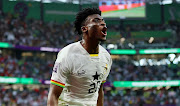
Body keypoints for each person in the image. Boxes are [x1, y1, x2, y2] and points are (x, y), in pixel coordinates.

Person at [47, 8, 112, 106]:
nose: (103, 24)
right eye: (96, 21)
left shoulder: (106, 57)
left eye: (103, 21)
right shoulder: (67, 54)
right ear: (84, 28)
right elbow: (53, 95)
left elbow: (99, 90)